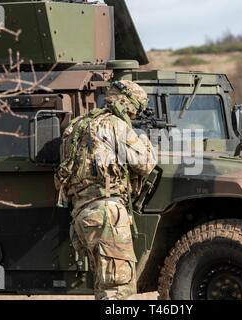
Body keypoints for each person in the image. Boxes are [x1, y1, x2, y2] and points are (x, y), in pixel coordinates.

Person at [54, 80, 156, 300]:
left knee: (104, 287)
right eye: (135, 109)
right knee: (118, 290)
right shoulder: (115, 126)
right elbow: (145, 163)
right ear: (127, 104)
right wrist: (146, 139)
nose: (134, 114)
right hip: (106, 214)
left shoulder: (76, 126)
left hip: (82, 214)